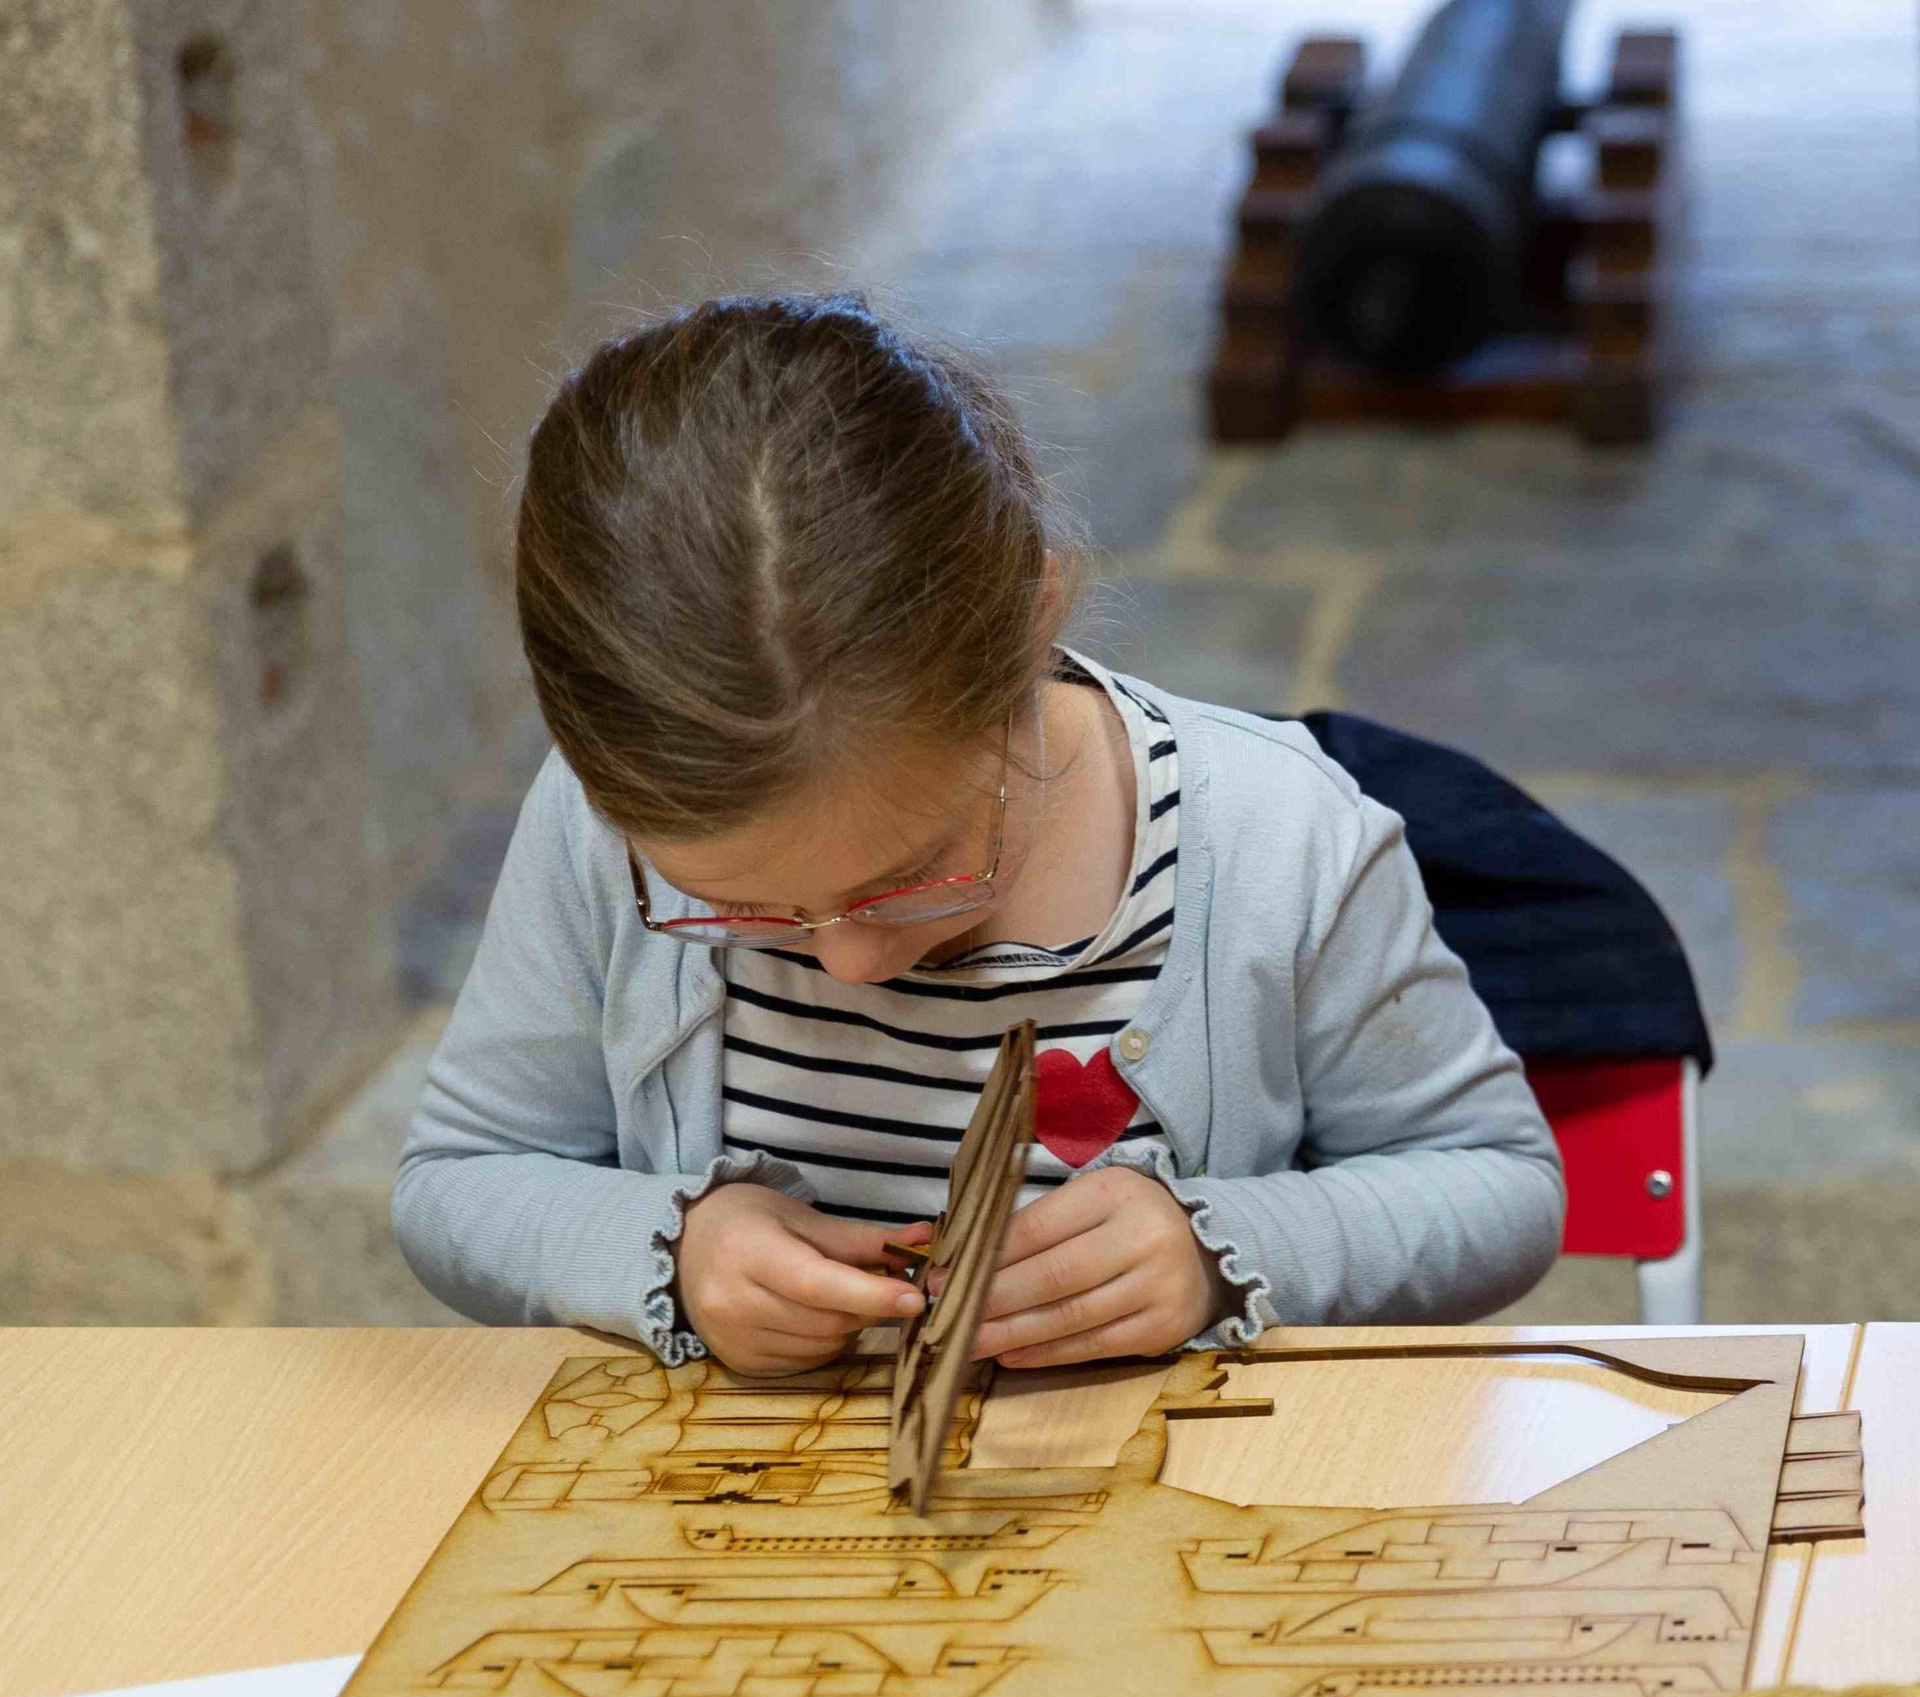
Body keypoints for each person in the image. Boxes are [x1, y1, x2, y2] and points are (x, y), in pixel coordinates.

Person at [394, 292, 1564, 1378]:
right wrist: (672, 1247)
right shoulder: (604, 833)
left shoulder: (1279, 843)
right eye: (740, 910)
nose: (851, 962)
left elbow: (1500, 1190)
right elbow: (459, 1182)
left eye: (910, 878)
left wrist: (1222, 1250)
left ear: (1031, 621)